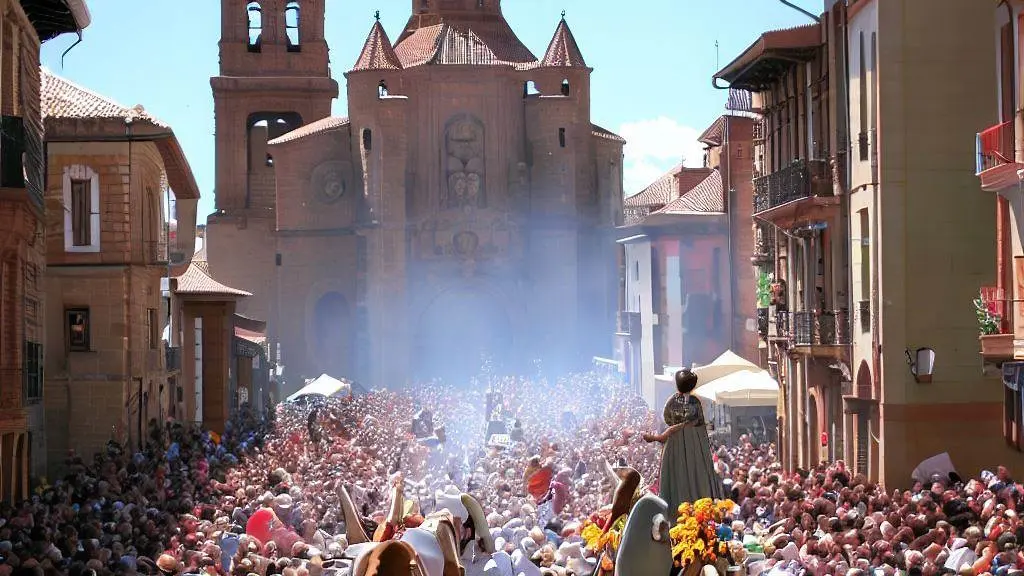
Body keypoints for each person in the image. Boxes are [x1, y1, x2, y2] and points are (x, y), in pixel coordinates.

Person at [642, 368, 725, 515]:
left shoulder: (672, 401)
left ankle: (676, 507)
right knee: (697, 472)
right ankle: (698, 503)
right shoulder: (695, 402)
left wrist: (677, 426)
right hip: (695, 440)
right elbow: (699, 420)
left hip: (675, 441)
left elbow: (667, 418)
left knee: (676, 474)